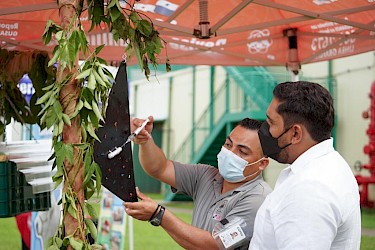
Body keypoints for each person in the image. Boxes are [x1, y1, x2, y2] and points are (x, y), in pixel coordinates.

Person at [124, 117, 272, 249]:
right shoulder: (206, 175)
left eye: (243, 152)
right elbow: (159, 168)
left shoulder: (258, 199)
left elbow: (215, 245)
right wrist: (145, 141)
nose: (231, 153)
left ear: (262, 164)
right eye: (228, 144)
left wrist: (159, 214)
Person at [250, 81, 361, 249]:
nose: (265, 129)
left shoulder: (309, 189)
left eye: (271, 123)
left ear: (295, 133)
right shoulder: (328, 165)